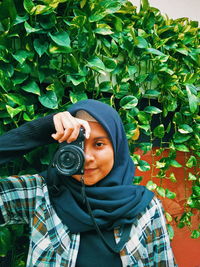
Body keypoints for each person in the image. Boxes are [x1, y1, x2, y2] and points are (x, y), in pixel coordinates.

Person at [0, 99, 177, 266]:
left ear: (117, 148)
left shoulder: (146, 208)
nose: (87, 157)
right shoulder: (41, 193)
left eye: (99, 144)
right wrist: (43, 129)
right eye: (77, 144)